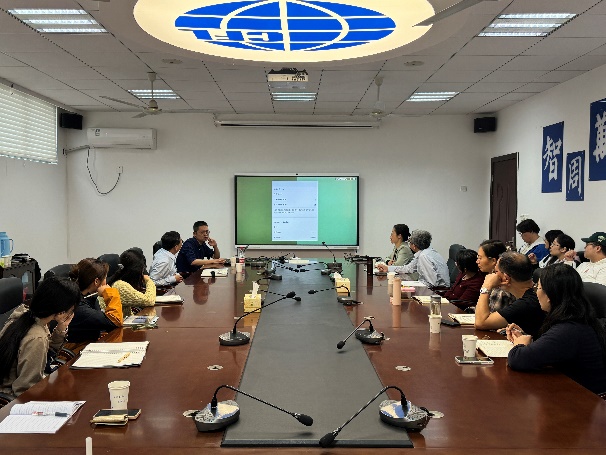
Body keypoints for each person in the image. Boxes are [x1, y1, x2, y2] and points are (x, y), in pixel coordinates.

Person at [506, 264, 606, 396]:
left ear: (549, 295)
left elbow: (518, 359)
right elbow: (553, 347)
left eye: (538, 288)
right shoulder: (578, 318)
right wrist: (526, 337)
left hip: (583, 401)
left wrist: (519, 344)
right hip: (573, 393)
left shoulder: (569, 329)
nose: (536, 292)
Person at [0, 277, 80, 399]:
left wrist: (61, 329)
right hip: (12, 398)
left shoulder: (25, 315)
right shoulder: (37, 337)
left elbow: (46, 352)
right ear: (61, 312)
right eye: (71, 310)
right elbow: (26, 389)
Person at [474, 252, 545, 338]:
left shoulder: (527, 303)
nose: (493, 275)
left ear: (506, 278)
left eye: (496, 271)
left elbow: (481, 322)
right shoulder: (534, 293)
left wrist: (486, 286)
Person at [67, 258, 123, 343]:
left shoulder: (88, 297)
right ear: (96, 281)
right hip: (77, 348)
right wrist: (111, 293)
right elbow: (115, 322)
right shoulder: (79, 306)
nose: (106, 282)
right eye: (105, 278)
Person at [377, 230, 450, 287]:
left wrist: (412, 285)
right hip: (432, 287)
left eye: (410, 242)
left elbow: (432, 283)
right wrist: (388, 268)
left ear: (414, 246)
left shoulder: (424, 256)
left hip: (439, 291)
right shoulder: (425, 252)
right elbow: (408, 268)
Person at [108, 250, 156, 317]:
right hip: (121, 323)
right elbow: (149, 301)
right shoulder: (120, 286)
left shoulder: (121, 281)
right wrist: (149, 281)